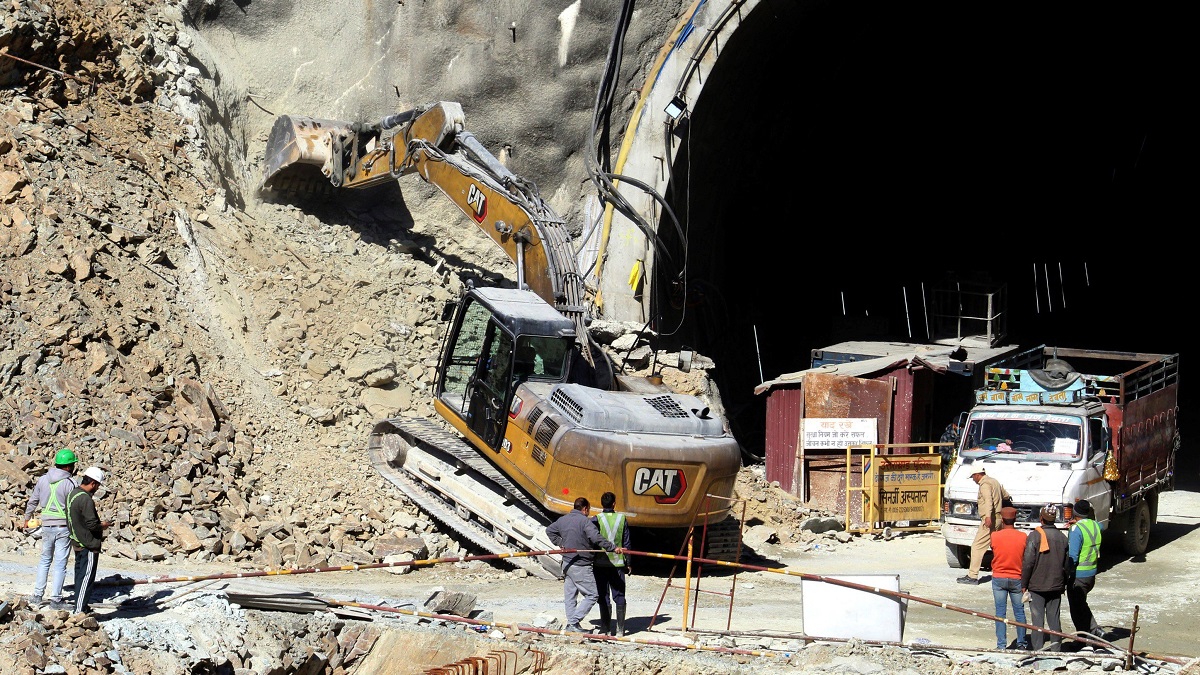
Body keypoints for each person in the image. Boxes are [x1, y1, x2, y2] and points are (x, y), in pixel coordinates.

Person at [545, 497, 616, 633]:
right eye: (588, 510)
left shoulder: (563, 520)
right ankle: (573, 622)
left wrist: (561, 542)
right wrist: (612, 547)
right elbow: (596, 538)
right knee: (592, 595)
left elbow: (549, 531)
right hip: (581, 564)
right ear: (585, 509)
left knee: (570, 596)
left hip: (567, 563)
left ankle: (572, 626)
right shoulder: (585, 521)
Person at [23, 448, 79, 609]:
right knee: (60, 563)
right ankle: (56, 599)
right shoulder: (71, 483)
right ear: (68, 467)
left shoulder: (42, 480)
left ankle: (37, 595)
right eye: (73, 465)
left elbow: (33, 501)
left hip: (46, 525)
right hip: (63, 527)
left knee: (45, 560)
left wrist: (27, 518)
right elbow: (74, 508)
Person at [1021, 504, 1069, 651]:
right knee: (1054, 619)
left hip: (1036, 585)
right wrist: (1063, 582)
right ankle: (1056, 650)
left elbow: (1028, 563)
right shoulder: (1062, 538)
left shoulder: (1034, 536)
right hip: (1056, 585)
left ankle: (1038, 650)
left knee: (1037, 620)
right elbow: (1067, 565)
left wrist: (1024, 583)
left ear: (1041, 518)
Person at [958, 467, 1012, 585]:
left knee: (977, 546)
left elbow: (988, 501)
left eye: (973, 476)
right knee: (997, 546)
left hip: (990, 520)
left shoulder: (985, 485)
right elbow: (1006, 495)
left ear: (977, 474)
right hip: (999, 519)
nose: (973, 479)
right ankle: (1004, 571)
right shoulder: (994, 481)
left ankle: (972, 576)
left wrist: (988, 517)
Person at [66, 466, 107, 614]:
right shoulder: (86, 499)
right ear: (94, 483)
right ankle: (79, 611)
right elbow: (92, 524)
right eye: (98, 485)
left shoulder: (73, 494)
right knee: (86, 578)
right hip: (87, 544)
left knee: (80, 576)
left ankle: (80, 606)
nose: (97, 489)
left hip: (77, 541)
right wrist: (103, 525)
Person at [592, 491, 631, 636]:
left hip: (600, 564)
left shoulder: (596, 519)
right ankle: (620, 630)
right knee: (619, 595)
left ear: (602, 504)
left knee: (603, 595)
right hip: (618, 564)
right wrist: (629, 562)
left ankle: (605, 629)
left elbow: (592, 539)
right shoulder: (622, 518)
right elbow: (627, 542)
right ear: (614, 503)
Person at [989, 505, 1029, 649]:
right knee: (1019, 612)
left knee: (1000, 612)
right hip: (1017, 577)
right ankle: (1022, 643)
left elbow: (993, 549)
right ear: (1015, 519)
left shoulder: (994, 536)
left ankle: (1001, 645)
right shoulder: (1023, 537)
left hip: (999, 577)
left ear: (1002, 519)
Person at [1066, 499, 1104, 638]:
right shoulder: (1095, 525)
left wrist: (1067, 574)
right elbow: (1101, 526)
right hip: (1092, 574)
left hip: (1079, 575)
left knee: (1077, 608)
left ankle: (1092, 632)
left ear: (1075, 513)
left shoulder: (1076, 530)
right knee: (1081, 604)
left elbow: (1073, 557)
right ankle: (1088, 636)